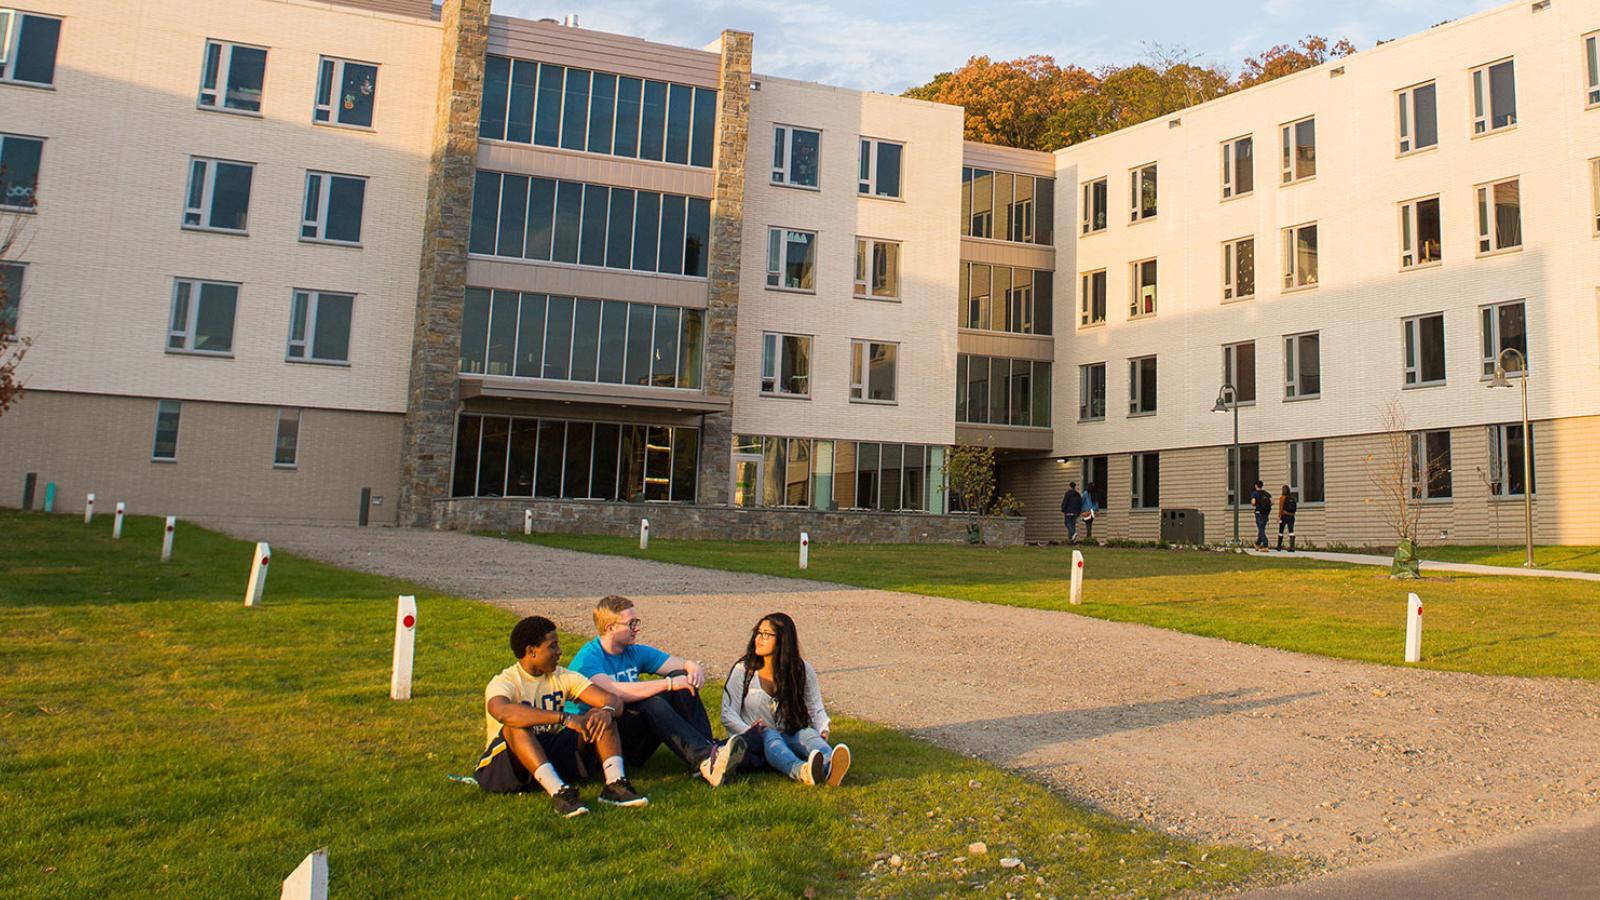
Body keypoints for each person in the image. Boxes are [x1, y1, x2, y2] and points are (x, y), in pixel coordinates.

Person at [475, 615, 648, 817]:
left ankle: (615, 785)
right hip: (504, 764)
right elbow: (502, 711)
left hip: (546, 751)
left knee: (598, 715)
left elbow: (612, 700)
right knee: (515, 726)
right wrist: (563, 718)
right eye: (553, 646)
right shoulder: (505, 681)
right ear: (531, 651)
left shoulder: (561, 675)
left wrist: (606, 712)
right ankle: (560, 793)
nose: (559, 651)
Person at [567, 595, 745, 787]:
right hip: (602, 743)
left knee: (680, 679)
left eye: (637, 622)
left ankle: (709, 753)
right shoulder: (588, 659)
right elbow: (613, 693)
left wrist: (692, 667)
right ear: (610, 628)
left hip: (631, 736)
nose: (637, 628)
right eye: (631, 624)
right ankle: (706, 759)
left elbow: (679, 665)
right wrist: (668, 684)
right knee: (653, 701)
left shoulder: (632, 651)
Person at [721, 613, 851, 787]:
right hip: (757, 738)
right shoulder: (744, 670)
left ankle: (830, 765)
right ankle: (802, 770)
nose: (759, 639)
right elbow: (728, 714)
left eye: (766, 635)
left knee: (807, 734)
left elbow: (815, 706)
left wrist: (823, 728)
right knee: (769, 734)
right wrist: (749, 730)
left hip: (788, 730)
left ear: (783, 639)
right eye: (758, 633)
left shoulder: (801, 669)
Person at [1249, 480, 1273, 550]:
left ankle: (1265, 545)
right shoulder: (1266, 493)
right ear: (1262, 486)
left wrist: (1255, 504)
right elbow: (1272, 502)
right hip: (1266, 513)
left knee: (1261, 529)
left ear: (1256, 486)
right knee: (1262, 528)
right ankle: (1258, 544)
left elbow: (1253, 502)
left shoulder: (1255, 493)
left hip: (1259, 512)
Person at [1276, 484, 1298, 552]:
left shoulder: (1282, 498)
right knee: (1291, 531)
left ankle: (1279, 546)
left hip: (1284, 516)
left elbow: (1281, 508)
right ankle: (1292, 547)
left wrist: (1279, 516)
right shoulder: (1292, 498)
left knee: (1281, 531)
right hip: (1291, 516)